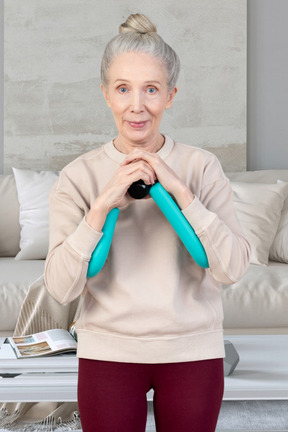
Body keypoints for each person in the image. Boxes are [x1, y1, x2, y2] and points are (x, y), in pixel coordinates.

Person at [44, 13, 250, 432]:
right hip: (108, 352)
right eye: (123, 89)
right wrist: (101, 206)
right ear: (105, 94)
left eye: (151, 89)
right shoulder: (78, 176)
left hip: (192, 351)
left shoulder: (202, 166)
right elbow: (61, 286)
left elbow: (232, 269)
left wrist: (183, 194)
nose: (137, 105)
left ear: (171, 95)